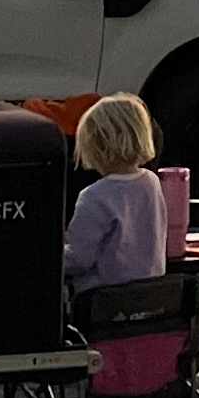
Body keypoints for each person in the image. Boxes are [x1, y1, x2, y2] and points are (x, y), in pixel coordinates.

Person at [62, 95, 169, 299]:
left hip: (103, 302)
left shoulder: (94, 196)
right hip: (150, 294)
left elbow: (78, 260)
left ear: (97, 146)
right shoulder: (151, 183)